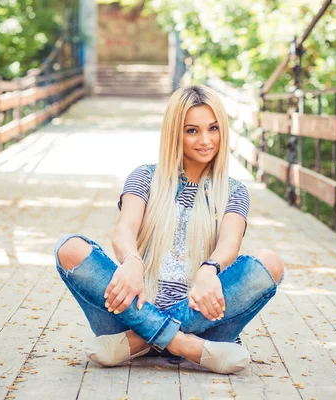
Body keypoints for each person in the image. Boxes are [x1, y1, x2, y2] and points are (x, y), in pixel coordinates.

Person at [53, 84, 285, 374]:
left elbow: (230, 241)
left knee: (270, 264)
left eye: (213, 128)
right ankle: (183, 346)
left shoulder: (234, 191)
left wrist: (208, 269)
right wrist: (132, 263)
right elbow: (125, 228)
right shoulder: (145, 177)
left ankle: (139, 343)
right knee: (70, 248)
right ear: (175, 133)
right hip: (131, 312)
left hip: (203, 319)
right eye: (192, 131)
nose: (205, 140)